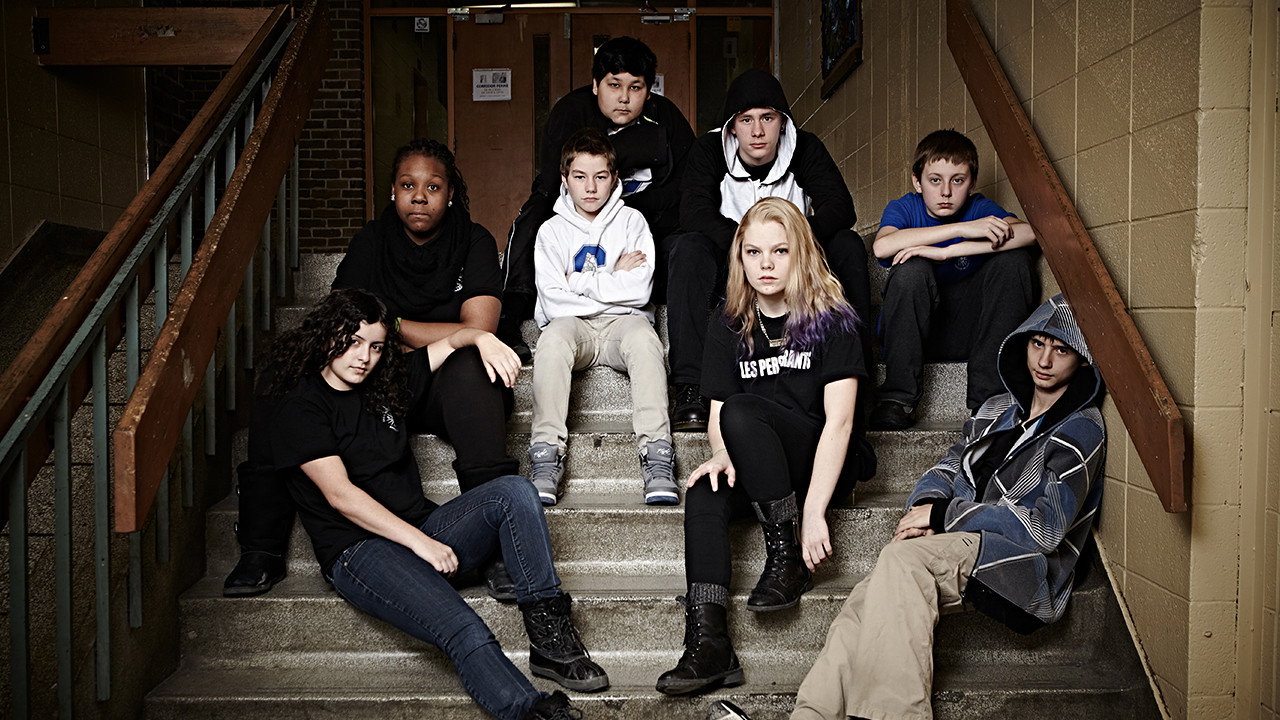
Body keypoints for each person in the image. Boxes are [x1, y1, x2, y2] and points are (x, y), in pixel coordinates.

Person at [262, 288, 607, 720]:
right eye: (351, 342)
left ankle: (549, 638)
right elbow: (340, 495)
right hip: (359, 550)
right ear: (326, 336)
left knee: (515, 491)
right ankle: (528, 711)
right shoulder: (300, 404)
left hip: (425, 530)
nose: (363, 357)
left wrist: (481, 339)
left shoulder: (384, 382)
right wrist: (420, 544)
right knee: (462, 627)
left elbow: (452, 342)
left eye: (375, 346)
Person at [777, 294, 1106, 720]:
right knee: (866, 597)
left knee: (902, 562)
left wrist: (944, 515)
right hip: (961, 544)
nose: (1044, 360)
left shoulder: (1081, 428)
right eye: (1037, 343)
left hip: (1023, 565)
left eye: (1061, 350)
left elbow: (1044, 530)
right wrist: (928, 505)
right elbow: (949, 465)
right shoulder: (997, 409)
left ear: (1081, 360)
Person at [223, 139, 522, 601]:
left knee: (473, 365)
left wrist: (393, 326)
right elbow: (341, 322)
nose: (419, 197)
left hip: (438, 385)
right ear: (393, 192)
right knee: (280, 377)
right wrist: (388, 341)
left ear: (450, 195)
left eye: (433, 187)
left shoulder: (474, 240)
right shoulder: (372, 240)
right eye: (407, 185)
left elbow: (478, 328)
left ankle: (495, 541)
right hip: (371, 382)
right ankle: (262, 545)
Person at [655, 198, 875, 696]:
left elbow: (840, 423)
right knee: (706, 491)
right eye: (753, 252)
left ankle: (786, 553)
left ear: (800, 253)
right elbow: (716, 415)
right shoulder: (729, 322)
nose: (766, 264)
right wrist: (722, 455)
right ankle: (709, 644)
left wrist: (813, 513)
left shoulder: (832, 319)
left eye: (780, 251)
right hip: (758, 462)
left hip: (818, 459)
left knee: (743, 410)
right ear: (741, 258)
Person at [667, 69, 872, 433]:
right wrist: (747, 244)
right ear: (732, 127)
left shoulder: (804, 147)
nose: (758, 131)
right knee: (687, 248)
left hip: (792, 259)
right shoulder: (709, 150)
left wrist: (791, 240)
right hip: (732, 259)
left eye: (767, 118)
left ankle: (858, 380)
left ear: (783, 122)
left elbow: (841, 208)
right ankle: (690, 387)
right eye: (746, 120)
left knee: (848, 244)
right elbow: (693, 212)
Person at [497, 36, 696, 361]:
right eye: (614, 85)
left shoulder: (665, 116)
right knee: (533, 215)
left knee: (690, 245)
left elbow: (686, 186)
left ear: (648, 90)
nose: (624, 98)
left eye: (635, 87)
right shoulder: (572, 112)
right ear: (595, 85)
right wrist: (638, 147)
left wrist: (630, 213)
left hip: (647, 228)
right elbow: (557, 183)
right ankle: (508, 322)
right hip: (580, 230)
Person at [528, 128, 677, 506]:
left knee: (645, 341)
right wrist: (614, 279)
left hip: (622, 326)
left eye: (600, 176)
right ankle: (546, 454)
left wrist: (576, 282)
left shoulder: (632, 222)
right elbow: (553, 301)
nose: (590, 187)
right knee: (551, 341)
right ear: (565, 179)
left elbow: (640, 291)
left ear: (614, 178)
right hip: (573, 328)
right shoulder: (550, 231)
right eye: (580, 176)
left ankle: (657, 454)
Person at [869, 129, 1038, 430]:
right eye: (935, 180)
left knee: (1013, 261)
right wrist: (959, 230)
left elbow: (1030, 233)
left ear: (971, 183)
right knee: (912, 269)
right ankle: (896, 398)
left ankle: (989, 400)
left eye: (957, 180)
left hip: (970, 333)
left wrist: (949, 251)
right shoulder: (905, 207)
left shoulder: (980, 208)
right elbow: (882, 247)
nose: (946, 192)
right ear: (917, 182)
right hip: (913, 335)